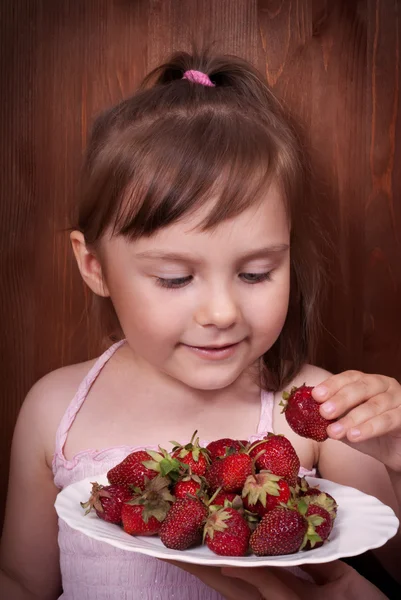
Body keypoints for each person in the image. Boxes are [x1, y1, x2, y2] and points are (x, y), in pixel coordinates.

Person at [1, 50, 400, 600]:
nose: (221, 312)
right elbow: (22, 582)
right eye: (173, 278)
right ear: (94, 267)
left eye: (257, 272)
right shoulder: (54, 409)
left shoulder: (315, 410)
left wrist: (395, 453)